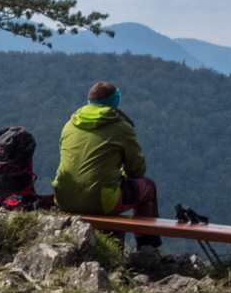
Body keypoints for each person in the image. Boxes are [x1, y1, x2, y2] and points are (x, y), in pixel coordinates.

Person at [51, 82, 161, 248]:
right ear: (115, 102)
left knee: (109, 189)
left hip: (63, 198)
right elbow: (137, 170)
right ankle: (147, 248)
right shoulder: (122, 127)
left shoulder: (69, 125)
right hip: (102, 201)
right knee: (148, 188)